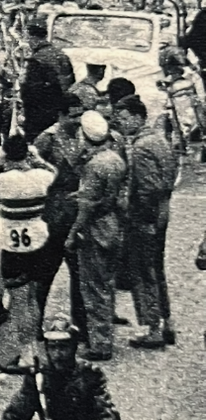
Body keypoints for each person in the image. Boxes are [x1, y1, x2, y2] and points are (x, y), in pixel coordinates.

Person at [0, 133, 53, 367]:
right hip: (38, 242)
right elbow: (53, 173)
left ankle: (26, 355)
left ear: (6, 155)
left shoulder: (2, 180)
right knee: (33, 299)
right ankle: (34, 349)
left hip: (14, 245)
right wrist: (36, 159)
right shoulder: (42, 176)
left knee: (18, 302)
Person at [114, 95, 177, 350]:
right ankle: (167, 321)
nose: (123, 123)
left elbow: (147, 188)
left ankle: (152, 328)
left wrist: (136, 214)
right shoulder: (160, 141)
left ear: (139, 117)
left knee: (143, 273)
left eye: (126, 118)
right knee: (157, 270)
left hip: (144, 218)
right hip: (161, 213)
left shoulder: (140, 147)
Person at [68, 108, 129, 359]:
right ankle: (105, 336)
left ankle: (100, 344)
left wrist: (73, 233)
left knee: (93, 287)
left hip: (96, 227)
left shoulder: (94, 166)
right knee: (107, 283)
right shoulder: (115, 158)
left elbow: (87, 206)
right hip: (114, 223)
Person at [21, 12, 75, 143]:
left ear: (33, 38)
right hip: (62, 109)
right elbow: (71, 81)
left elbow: (32, 92)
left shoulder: (37, 60)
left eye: (28, 38)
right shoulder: (61, 54)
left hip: (42, 112)